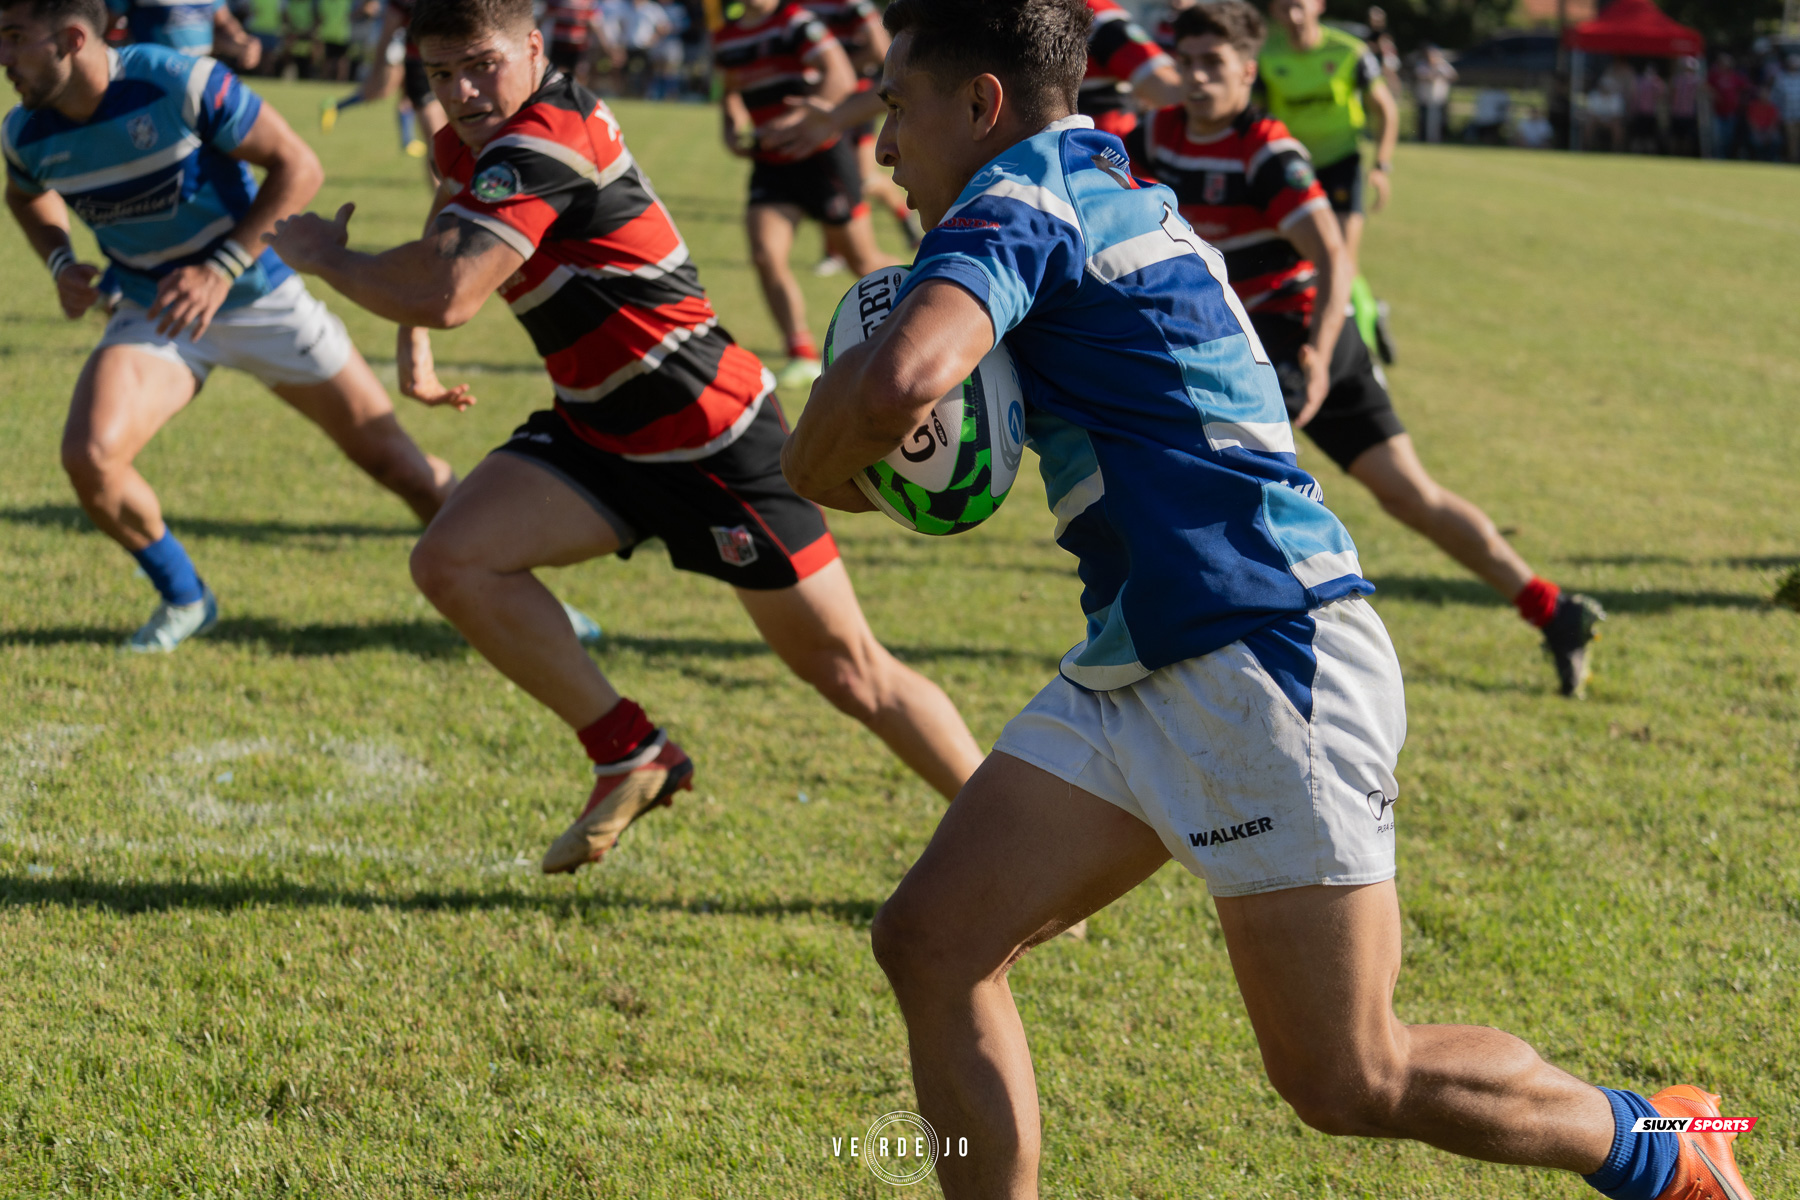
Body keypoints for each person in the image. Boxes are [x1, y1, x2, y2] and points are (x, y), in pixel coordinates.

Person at [780, 1, 1764, 1197]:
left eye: (894, 109)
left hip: (1262, 653)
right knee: (932, 943)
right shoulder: (1095, 181)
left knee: (1350, 1077)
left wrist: (806, 460)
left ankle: (1661, 1148)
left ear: (980, 105)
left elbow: (899, 382)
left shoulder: (1024, 194)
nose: (882, 148)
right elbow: (932, 435)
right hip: (1145, 652)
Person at [264, 0, 984, 874]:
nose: (461, 90)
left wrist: (325, 256)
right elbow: (446, 236)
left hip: (712, 433)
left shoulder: (550, 136)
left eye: (480, 64)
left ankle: (1014, 849)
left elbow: (453, 290)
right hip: (600, 432)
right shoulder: (474, 137)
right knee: (452, 558)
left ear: (533, 46)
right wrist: (411, 343)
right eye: (441, 74)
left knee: (852, 674)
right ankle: (629, 751)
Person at [1126, 0, 1604, 695]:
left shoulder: (1267, 150)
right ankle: (1205, 648)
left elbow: (1333, 257)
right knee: (1188, 481)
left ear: (1247, 73)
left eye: (1213, 65)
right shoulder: (1158, 133)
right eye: (1187, 63)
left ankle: (1548, 609)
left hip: (1300, 336)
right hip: (1228, 339)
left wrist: (1317, 356)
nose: (1196, 78)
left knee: (1407, 496)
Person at [0, 0, 458, 652]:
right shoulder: (25, 131)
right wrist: (59, 260)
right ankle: (187, 596)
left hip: (259, 296)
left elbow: (300, 166)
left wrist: (218, 269)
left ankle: (519, 589)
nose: (3, 57)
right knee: (90, 457)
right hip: (154, 311)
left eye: (15, 38)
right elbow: (24, 192)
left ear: (72, 39)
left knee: (400, 467)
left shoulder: (174, 80)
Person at [712, 0, 895, 391]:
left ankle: (925, 299)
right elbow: (730, 92)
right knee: (765, 254)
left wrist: (807, 119)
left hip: (820, 157)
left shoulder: (794, 21)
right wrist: (730, 127)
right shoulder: (726, 37)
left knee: (862, 260)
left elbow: (841, 76)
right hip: (771, 163)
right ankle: (801, 354)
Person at [1259, 0, 1397, 364]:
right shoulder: (1264, 55)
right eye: (1284, 7)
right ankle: (1363, 315)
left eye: (1299, 6)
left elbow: (1385, 108)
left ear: (1318, 5)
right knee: (1302, 260)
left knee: (1340, 261)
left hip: (1341, 164)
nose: (1292, 16)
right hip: (1291, 168)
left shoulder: (1349, 51)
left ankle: (1360, 356)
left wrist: (1382, 166)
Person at [320, 0, 449, 165]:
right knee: (382, 91)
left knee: (409, 97)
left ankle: (407, 141)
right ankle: (336, 107)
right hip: (395, 44)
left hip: (407, 46)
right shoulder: (398, 9)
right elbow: (372, 8)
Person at [1076, 0, 1180, 139]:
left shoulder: (1093, 16)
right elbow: (1167, 88)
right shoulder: (1090, 13)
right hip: (1102, 146)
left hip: (1056, 146)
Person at [105, 0, 261, 67]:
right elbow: (106, 23)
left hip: (200, 73)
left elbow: (224, 21)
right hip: (151, 76)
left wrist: (245, 42)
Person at [1708, 52, 1749, 160]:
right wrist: (1715, 94)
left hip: (1731, 112)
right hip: (1717, 112)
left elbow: (1745, 87)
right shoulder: (1714, 75)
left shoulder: (1734, 76)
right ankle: (1717, 156)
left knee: (1728, 137)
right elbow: (1705, 86)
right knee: (1717, 137)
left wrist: (1739, 100)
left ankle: (1726, 157)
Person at [1411, 43, 1454, 144]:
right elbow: (1420, 76)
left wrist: (1442, 75)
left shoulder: (1442, 65)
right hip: (1425, 98)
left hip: (1439, 98)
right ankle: (1422, 138)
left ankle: (1439, 138)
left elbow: (1453, 75)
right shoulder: (1422, 64)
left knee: (1440, 121)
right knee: (1423, 120)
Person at [1627, 62, 1664, 155]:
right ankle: (1636, 153)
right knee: (1638, 136)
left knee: (1650, 137)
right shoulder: (1639, 81)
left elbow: (1661, 95)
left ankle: (1650, 153)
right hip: (1640, 112)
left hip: (1651, 113)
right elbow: (1634, 96)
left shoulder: (1657, 82)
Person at [1668, 54, 1700, 157]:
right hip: (1681, 112)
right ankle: (1680, 155)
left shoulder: (1693, 80)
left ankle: (1681, 155)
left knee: (1684, 138)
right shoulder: (1679, 79)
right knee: (1679, 137)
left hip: (1686, 113)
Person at [1745, 83, 1781, 161]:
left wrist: (1768, 133)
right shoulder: (1753, 105)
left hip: (1768, 131)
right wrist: (1758, 133)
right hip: (1757, 131)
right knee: (1755, 140)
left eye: (1766, 93)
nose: (1764, 94)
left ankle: (1770, 159)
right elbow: (1751, 122)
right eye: (1762, 92)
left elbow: (1773, 122)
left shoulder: (1772, 107)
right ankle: (1757, 159)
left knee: (1776, 138)